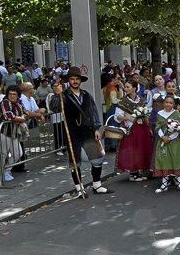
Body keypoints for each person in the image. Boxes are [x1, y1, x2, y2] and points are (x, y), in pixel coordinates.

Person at [50, 66, 113, 196]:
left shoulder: (86, 95)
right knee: (75, 162)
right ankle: (80, 189)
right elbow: (55, 108)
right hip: (72, 132)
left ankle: (97, 185)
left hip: (88, 131)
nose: (75, 81)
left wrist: (96, 128)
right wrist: (57, 94)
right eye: (72, 79)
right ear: (69, 80)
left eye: (77, 79)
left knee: (97, 158)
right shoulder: (64, 96)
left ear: (80, 81)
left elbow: (93, 112)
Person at [114, 79, 154, 182]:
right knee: (132, 150)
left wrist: (147, 121)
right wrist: (127, 118)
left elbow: (146, 113)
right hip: (131, 128)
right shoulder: (123, 101)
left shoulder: (141, 100)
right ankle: (133, 173)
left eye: (128, 87)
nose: (126, 89)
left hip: (142, 127)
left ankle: (141, 170)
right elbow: (117, 117)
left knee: (141, 148)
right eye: (125, 87)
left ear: (134, 88)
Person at [153, 95, 180, 193]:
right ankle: (164, 184)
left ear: (174, 104)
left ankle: (179, 182)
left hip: (174, 142)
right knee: (165, 160)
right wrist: (163, 137)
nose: (168, 104)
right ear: (163, 103)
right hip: (163, 141)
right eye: (166, 102)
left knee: (176, 159)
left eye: (171, 103)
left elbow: (179, 128)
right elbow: (158, 127)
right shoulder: (159, 114)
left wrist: (170, 137)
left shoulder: (176, 113)